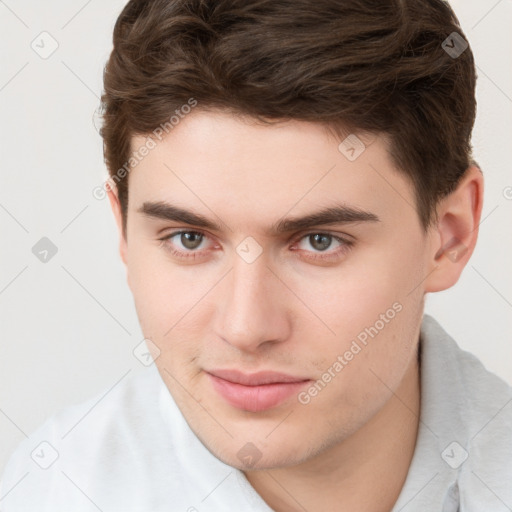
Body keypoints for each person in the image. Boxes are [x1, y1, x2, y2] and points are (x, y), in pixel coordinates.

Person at [1, 0, 511, 510]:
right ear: (125, 231)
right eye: (190, 239)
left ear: (449, 236)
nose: (246, 328)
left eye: (319, 242)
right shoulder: (47, 492)